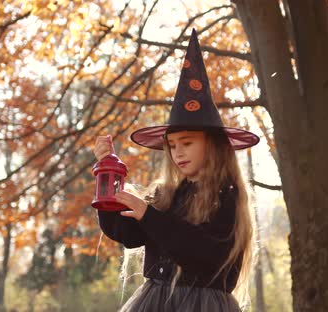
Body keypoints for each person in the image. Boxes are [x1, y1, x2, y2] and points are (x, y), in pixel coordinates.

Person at [93, 29, 260, 312]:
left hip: (204, 303)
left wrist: (149, 216)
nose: (177, 151)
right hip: (156, 301)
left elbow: (204, 254)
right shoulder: (169, 194)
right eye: (171, 145)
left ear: (214, 145)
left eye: (187, 143)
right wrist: (109, 183)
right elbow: (130, 235)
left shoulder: (227, 196)